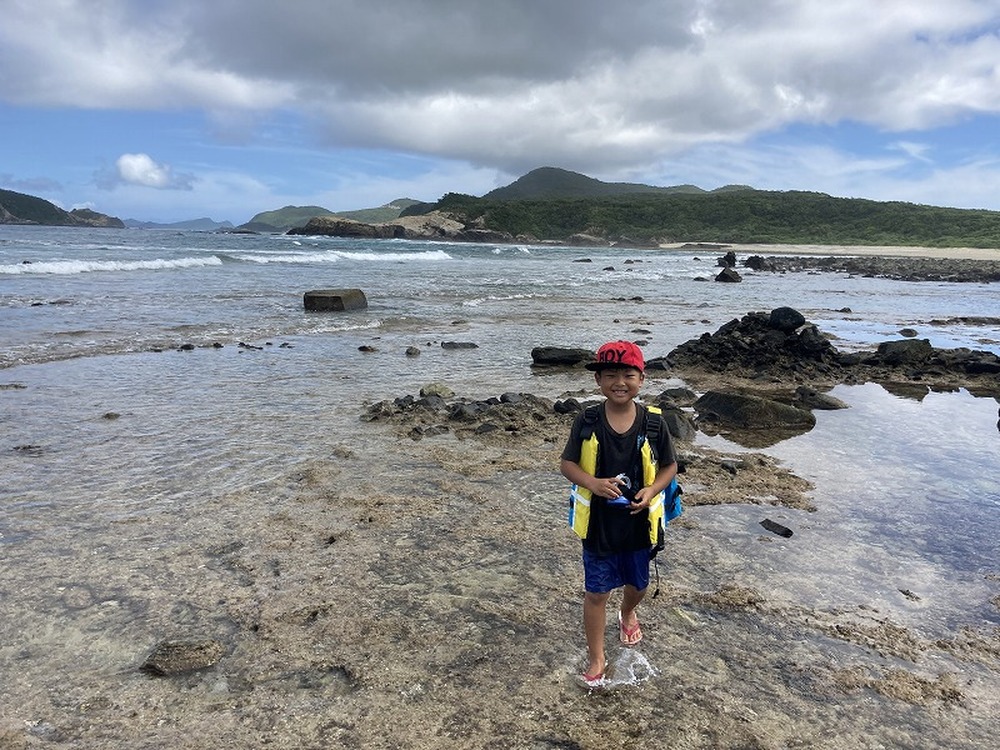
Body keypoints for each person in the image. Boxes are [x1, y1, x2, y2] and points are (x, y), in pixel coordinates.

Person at [560, 340, 678, 687]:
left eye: (628, 374)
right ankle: (597, 657)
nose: (619, 382)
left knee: (638, 584)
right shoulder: (587, 420)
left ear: (641, 379)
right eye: (610, 374)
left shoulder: (654, 423)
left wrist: (652, 491)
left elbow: (670, 467)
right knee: (596, 593)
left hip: (639, 523)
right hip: (599, 526)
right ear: (598, 380)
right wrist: (593, 483)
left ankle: (628, 611)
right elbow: (567, 464)